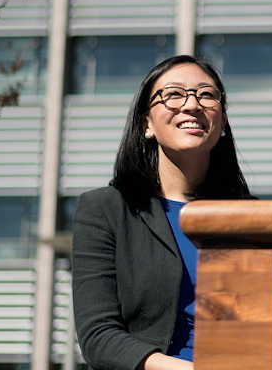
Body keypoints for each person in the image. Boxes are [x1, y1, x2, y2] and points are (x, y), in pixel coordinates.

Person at [72, 55, 254, 370]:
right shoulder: (106, 209)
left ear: (223, 122)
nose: (192, 105)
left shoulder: (255, 217)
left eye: (207, 94)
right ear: (146, 124)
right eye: (173, 94)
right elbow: (98, 336)